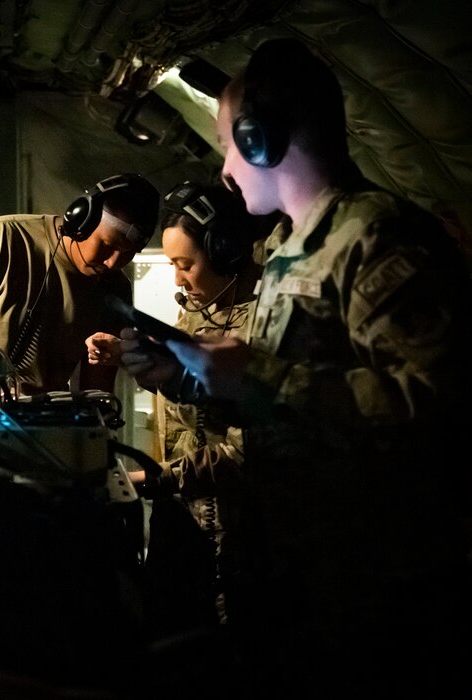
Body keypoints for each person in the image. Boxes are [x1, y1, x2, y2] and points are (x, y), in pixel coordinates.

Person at [112, 38, 471, 696]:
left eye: (227, 144)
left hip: (368, 592)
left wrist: (258, 377)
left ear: (261, 140)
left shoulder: (375, 238)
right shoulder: (288, 248)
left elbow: (436, 403)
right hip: (289, 574)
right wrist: (189, 376)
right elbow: (294, 406)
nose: (224, 169)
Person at [87, 182, 266, 641]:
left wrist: (159, 477)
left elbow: (250, 451)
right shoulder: (201, 314)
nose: (178, 280)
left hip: (235, 536)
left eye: (185, 265)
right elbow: (192, 409)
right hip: (182, 521)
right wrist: (132, 360)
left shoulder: (264, 327)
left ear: (226, 252)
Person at [0, 173, 160, 396]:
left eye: (127, 253)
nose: (112, 262)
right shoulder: (0, 239)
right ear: (82, 219)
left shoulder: (115, 289)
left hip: (46, 423)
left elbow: (97, 390)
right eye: (107, 245)